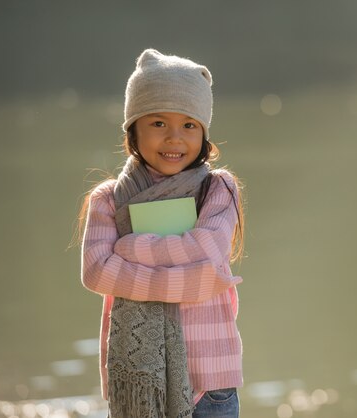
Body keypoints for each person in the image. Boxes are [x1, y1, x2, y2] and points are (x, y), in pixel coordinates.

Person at [78, 48, 245, 418]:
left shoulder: (217, 190)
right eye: (158, 124)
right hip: (140, 379)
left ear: (203, 132)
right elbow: (96, 271)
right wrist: (189, 280)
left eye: (189, 125)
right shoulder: (110, 198)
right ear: (133, 129)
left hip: (211, 382)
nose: (174, 138)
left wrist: (130, 247)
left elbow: (208, 255)